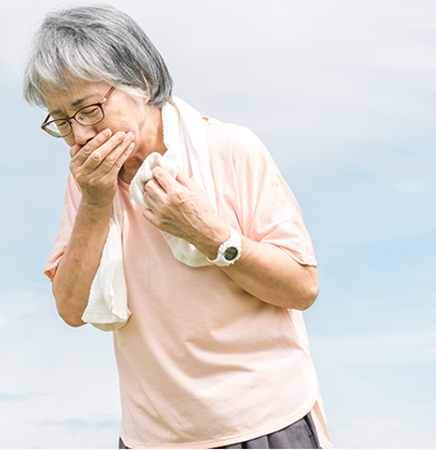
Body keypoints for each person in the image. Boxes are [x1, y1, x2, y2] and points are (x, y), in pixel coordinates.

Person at [23, 4, 331, 450]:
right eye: (62, 121)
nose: (81, 136)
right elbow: (71, 309)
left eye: (88, 110)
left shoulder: (230, 149)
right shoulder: (88, 181)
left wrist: (212, 236)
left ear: (142, 82)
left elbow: (302, 287)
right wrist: (95, 201)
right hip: (154, 437)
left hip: (264, 424)